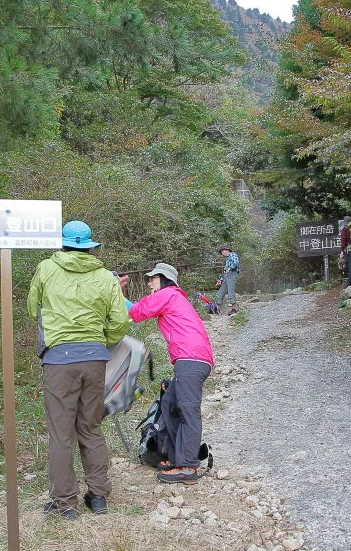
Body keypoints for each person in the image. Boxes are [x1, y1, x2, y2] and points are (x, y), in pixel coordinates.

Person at [27, 220, 131, 519]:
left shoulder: (46, 268)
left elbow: (33, 308)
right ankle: (98, 497)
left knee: (61, 434)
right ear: (89, 245)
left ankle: (65, 504)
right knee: (91, 426)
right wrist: (102, 343)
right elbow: (120, 322)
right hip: (95, 359)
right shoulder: (103, 276)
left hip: (59, 359)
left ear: (63, 243)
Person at [127, 263, 214, 484]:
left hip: (191, 360)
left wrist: (114, 293)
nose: (149, 283)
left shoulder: (168, 294)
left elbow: (136, 312)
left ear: (163, 280)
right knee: (170, 404)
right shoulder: (174, 298)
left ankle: (187, 467)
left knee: (187, 411)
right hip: (190, 360)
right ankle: (177, 458)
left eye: (152, 278)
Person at [214, 245, 240, 316]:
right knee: (220, 293)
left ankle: (234, 309)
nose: (222, 253)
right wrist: (221, 280)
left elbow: (236, 263)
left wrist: (230, 268)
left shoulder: (232, 255)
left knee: (230, 293)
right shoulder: (227, 259)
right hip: (226, 276)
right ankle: (216, 308)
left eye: (223, 251)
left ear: (227, 250)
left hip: (232, 275)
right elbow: (225, 272)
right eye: (221, 252)